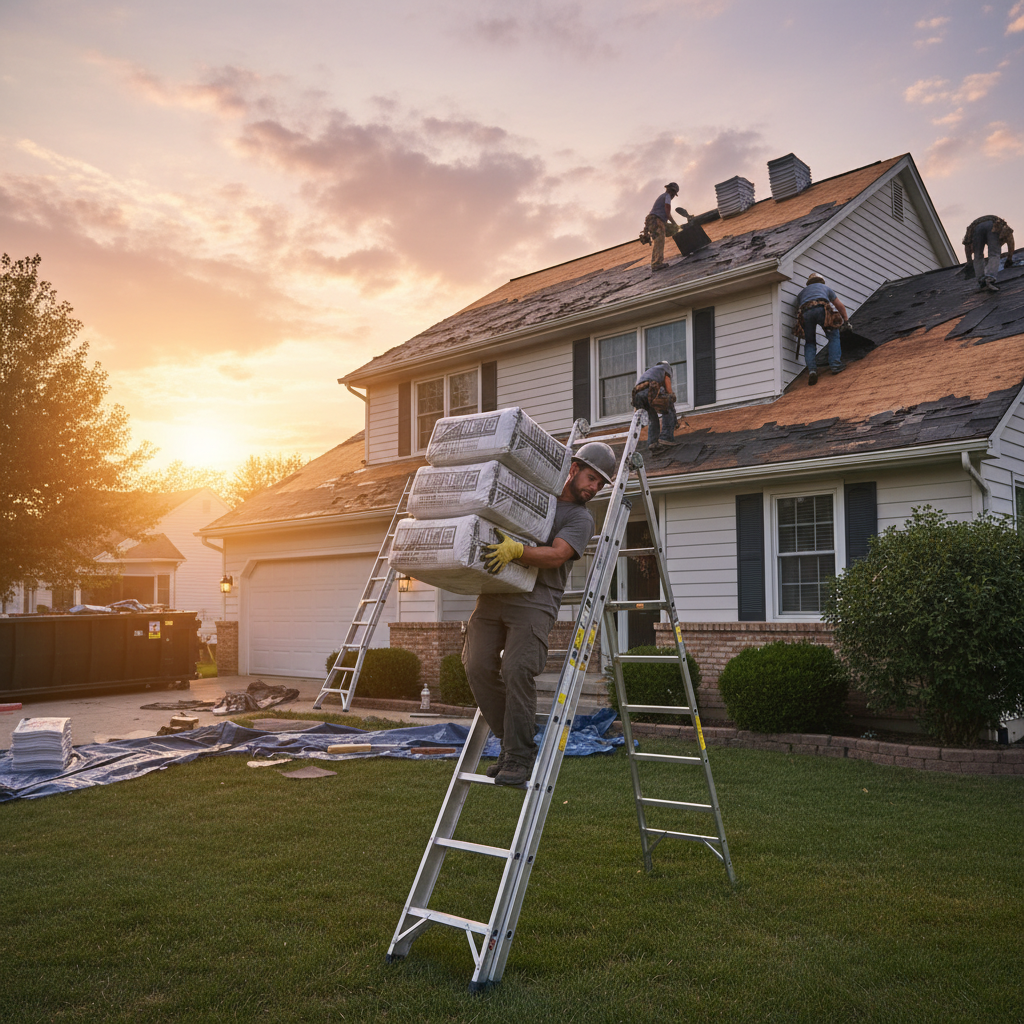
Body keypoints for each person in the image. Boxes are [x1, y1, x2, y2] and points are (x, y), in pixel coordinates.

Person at [462, 442, 616, 787]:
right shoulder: (536, 497)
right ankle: (512, 743)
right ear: (573, 469)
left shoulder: (580, 517)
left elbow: (556, 556)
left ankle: (518, 756)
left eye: (600, 485)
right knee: (475, 666)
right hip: (495, 592)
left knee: (517, 669)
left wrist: (516, 550)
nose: (593, 488)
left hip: (536, 599)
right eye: (591, 479)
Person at [795, 272, 850, 385]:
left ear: (809, 283)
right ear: (821, 281)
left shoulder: (801, 294)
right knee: (833, 336)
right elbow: (839, 305)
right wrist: (846, 321)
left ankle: (812, 371)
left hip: (805, 313)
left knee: (810, 342)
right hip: (821, 309)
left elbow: (799, 308)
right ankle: (835, 365)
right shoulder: (825, 288)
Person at [631, 360, 681, 453]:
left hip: (637, 395)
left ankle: (652, 442)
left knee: (652, 417)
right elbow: (669, 390)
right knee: (667, 408)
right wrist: (671, 399)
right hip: (650, 389)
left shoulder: (650, 372)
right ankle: (666, 438)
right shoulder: (665, 368)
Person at [963, 215, 1015, 294]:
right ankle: (989, 279)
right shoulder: (1003, 229)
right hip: (992, 223)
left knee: (978, 256)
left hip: (976, 227)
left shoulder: (972, 229)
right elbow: (1011, 243)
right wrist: (1009, 259)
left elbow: (967, 245)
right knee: (994, 254)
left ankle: (982, 281)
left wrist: (969, 262)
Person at [641, 182, 680, 271]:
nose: (673, 196)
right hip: (656, 220)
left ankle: (655, 262)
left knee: (663, 237)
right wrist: (674, 223)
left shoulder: (662, 196)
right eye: (673, 193)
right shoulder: (667, 196)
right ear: (671, 191)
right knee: (659, 241)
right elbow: (667, 210)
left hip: (653, 220)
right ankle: (656, 264)